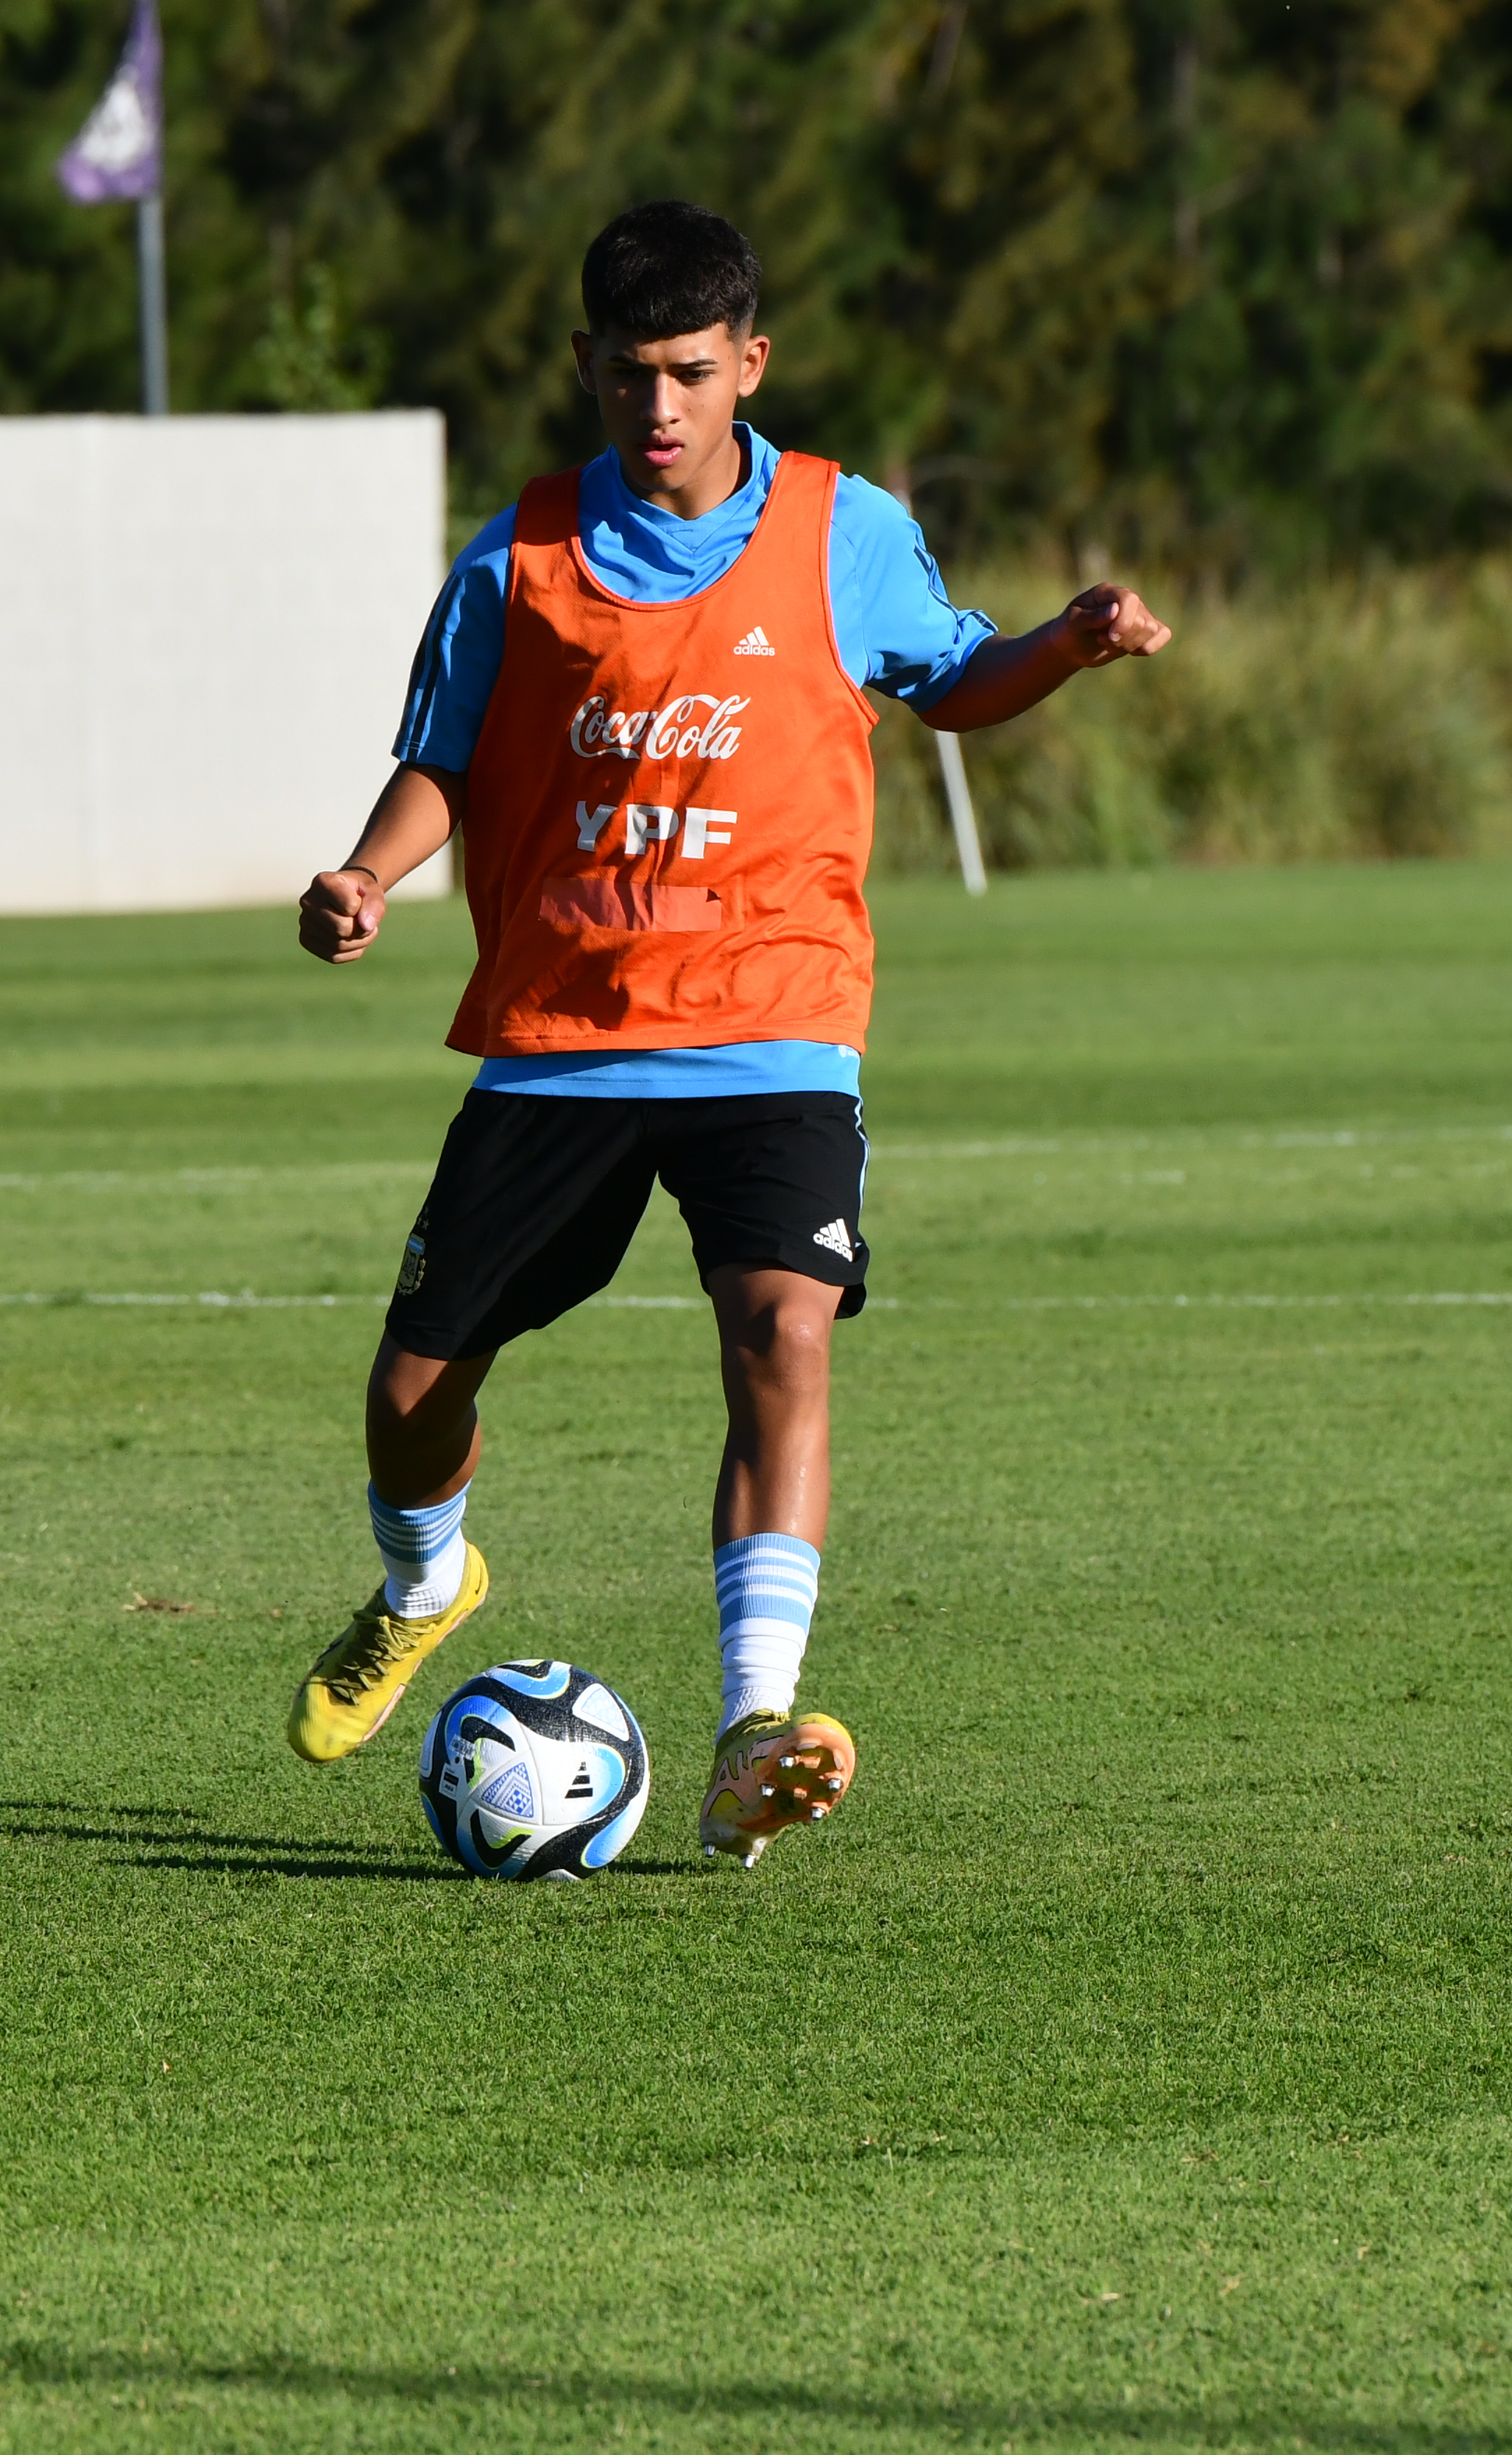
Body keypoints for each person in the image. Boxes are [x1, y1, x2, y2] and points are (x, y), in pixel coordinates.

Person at [286, 201, 1172, 1864]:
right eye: (632, 373)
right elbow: (445, 760)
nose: (661, 405)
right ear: (586, 367)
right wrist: (366, 875)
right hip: (563, 1035)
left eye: (691, 371)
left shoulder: (845, 529)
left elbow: (952, 677)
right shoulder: (517, 556)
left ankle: (754, 1726)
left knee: (786, 1333)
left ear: (750, 363)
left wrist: (1064, 644)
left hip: (777, 1021)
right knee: (412, 1390)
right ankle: (423, 1586)